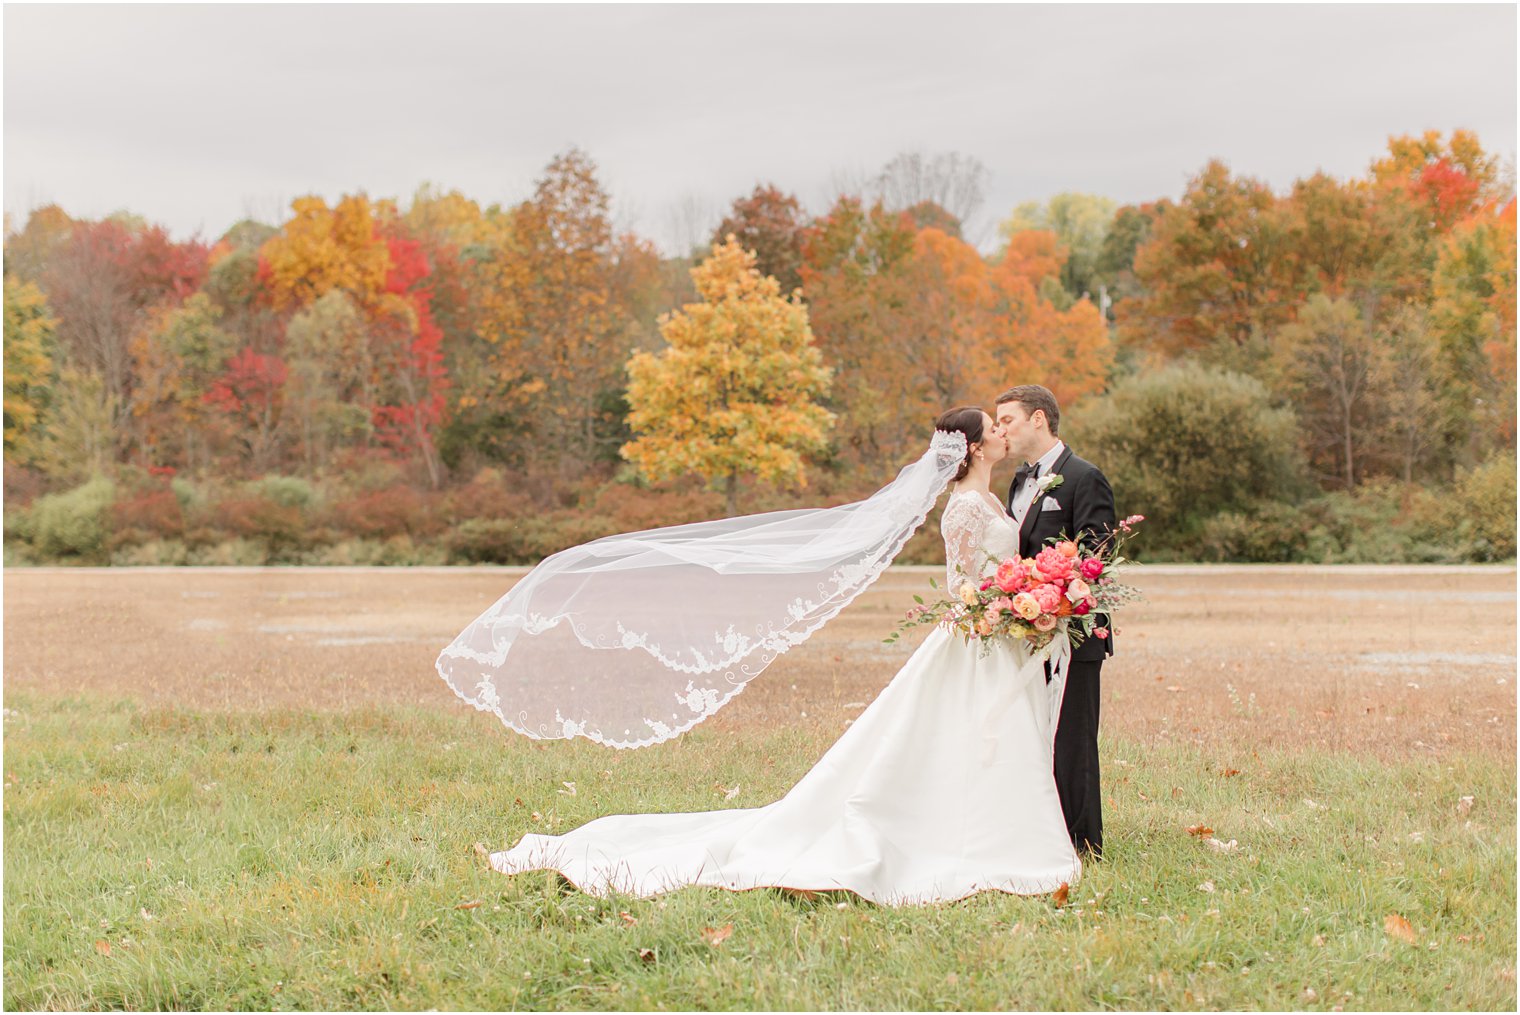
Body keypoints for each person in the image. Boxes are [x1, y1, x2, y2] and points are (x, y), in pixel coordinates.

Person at [479, 407, 1081, 904]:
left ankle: (980, 830)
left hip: (991, 637)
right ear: (975, 448)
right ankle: (975, 841)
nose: (1005, 432)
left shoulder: (993, 498)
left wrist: (1029, 591)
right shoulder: (966, 508)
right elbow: (962, 587)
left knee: (969, 740)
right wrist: (1009, 600)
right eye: (995, 427)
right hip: (976, 636)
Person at [995, 384, 1116, 860]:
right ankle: (1041, 832)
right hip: (1027, 633)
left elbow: (1097, 558)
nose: (1001, 429)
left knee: (1073, 742)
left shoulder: (1085, 477)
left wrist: (1053, 597)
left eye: (1007, 420)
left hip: (1073, 635)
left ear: (1039, 419)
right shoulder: (1019, 482)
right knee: (1033, 737)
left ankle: (1084, 845)